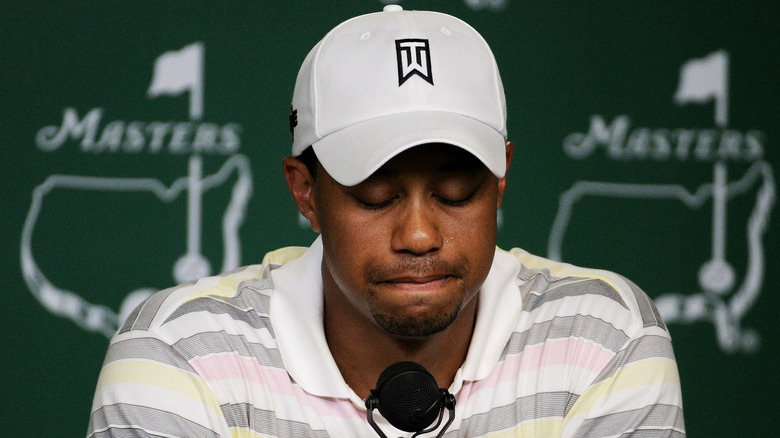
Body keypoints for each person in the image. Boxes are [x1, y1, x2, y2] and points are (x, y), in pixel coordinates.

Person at [88, 5, 685, 437]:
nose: (420, 235)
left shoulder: (603, 337)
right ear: (306, 193)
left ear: (500, 177)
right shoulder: (180, 350)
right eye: (375, 196)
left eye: (456, 191)